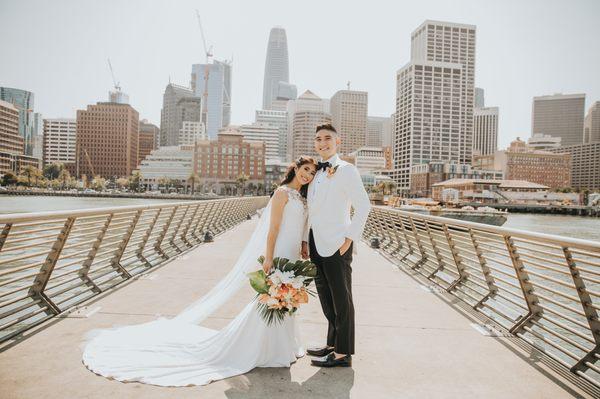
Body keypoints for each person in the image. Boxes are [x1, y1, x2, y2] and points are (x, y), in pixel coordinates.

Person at [82, 157, 317, 387]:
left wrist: (304, 245)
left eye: (311, 173)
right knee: (271, 298)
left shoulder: (302, 197)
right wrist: (268, 257)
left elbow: (300, 226)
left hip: (293, 253)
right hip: (279, 252)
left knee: (287, 298)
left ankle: (282, 345)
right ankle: (263, 347)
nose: (307, 175)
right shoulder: (282, 193)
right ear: (295, 168)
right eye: (305, 169)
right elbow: (273, 228)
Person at [302, 123, 371, 368]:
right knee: (326, 298)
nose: (323, 143)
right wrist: (304, 239)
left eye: (328, 138)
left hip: (337, 244)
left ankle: (343, 354)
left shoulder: (346, 170)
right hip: (316, 243)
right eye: (318, 139)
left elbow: (364, 206)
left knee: (342, 299)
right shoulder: (316, 173)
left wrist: (349, 240)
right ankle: (332, 344)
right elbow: (312, 209)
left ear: (337, 142)